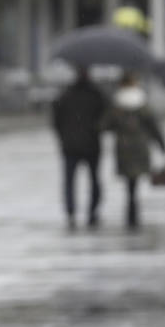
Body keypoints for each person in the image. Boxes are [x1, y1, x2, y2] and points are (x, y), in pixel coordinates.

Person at [100, 72, 165, 230]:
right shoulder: (142, 103)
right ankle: (134, 212)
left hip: (124, 148)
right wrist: (163, 145)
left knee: (129, 182)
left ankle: (131, 211)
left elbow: (104, 125)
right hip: (140, 146)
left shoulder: (116, 105)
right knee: (135, 181)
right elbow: (154, 126)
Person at [50, 67, 108, 229]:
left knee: (70, 182)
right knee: (94, 180)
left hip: (70, 146)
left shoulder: (65, 95)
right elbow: (106, 117)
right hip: (91, 145)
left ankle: (71, 213)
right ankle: (92, 213)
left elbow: (56, 120)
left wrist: (63, 137)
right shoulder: (96, 95)